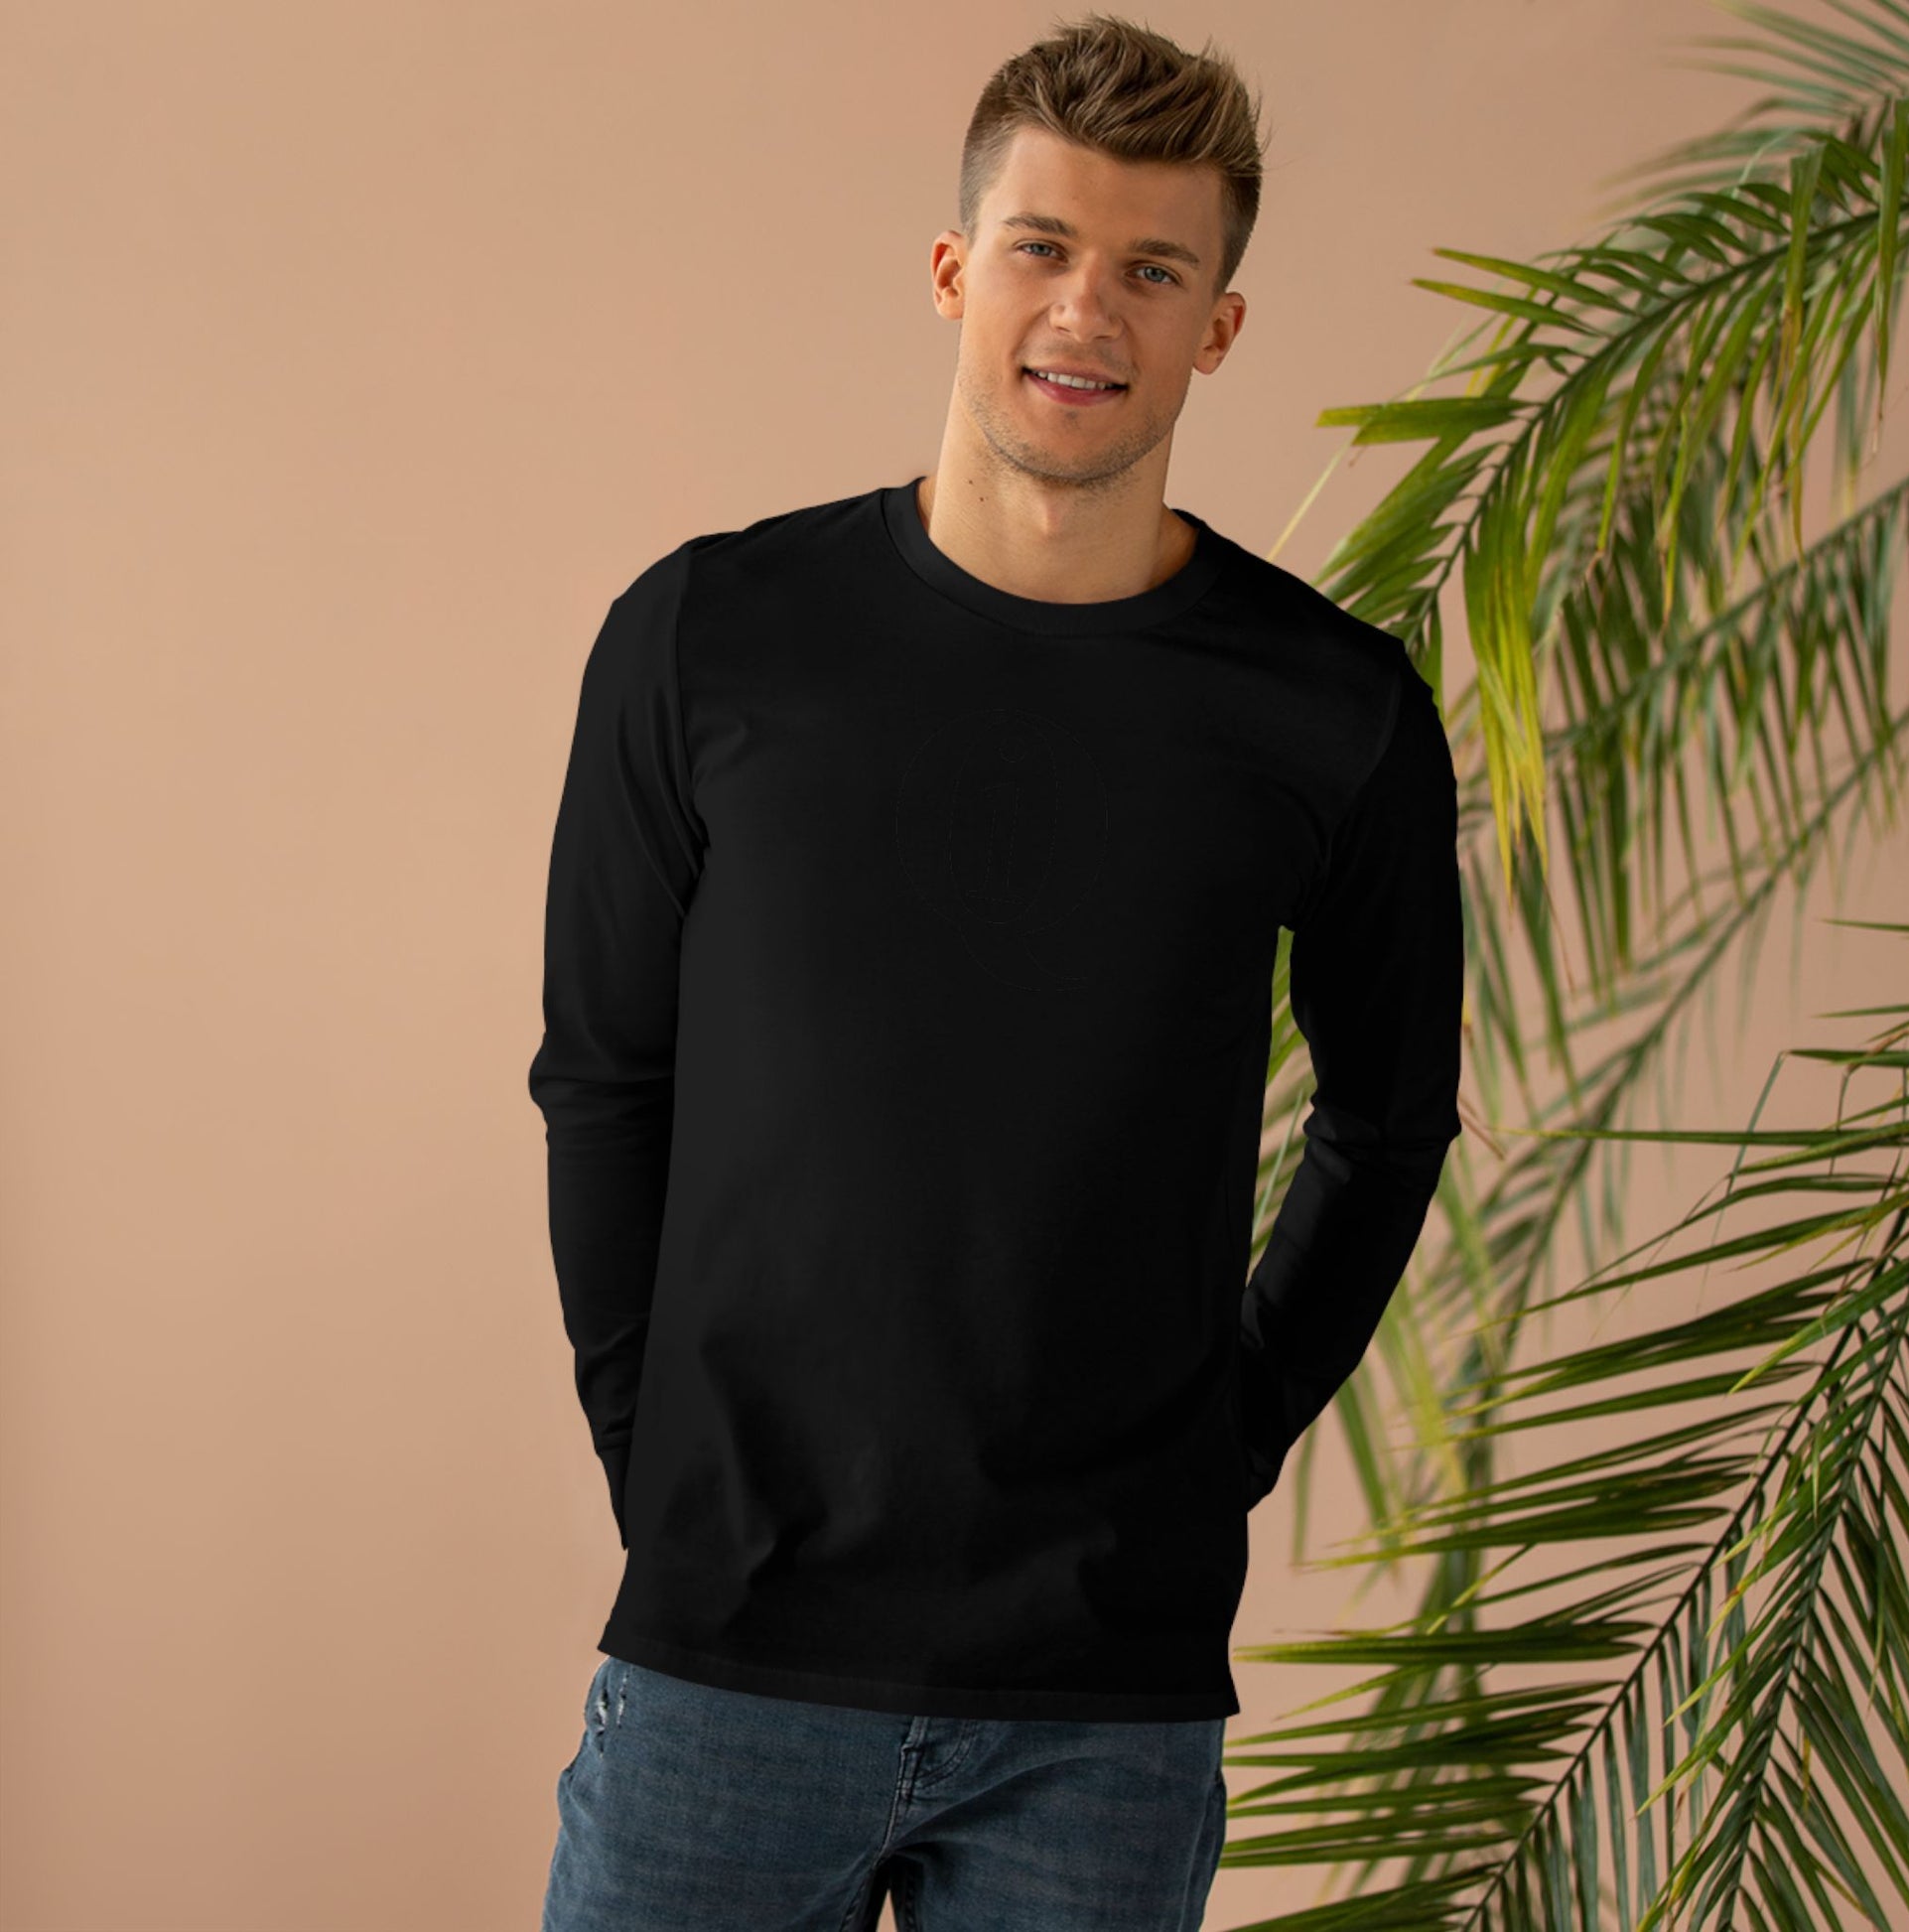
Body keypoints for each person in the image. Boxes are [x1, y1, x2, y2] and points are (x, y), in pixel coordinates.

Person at [526, 12, 1464, 1929]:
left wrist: (1218, 1449)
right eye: (1042, 246)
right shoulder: (707, 639)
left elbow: (1388, 1125)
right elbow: (604, 1081)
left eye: (1152, 269)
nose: (1085, 309)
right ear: (955, 270)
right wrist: (656, 1464)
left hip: (1101, 1705)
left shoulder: (1330, 709)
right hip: (729, 1656)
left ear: (1218, 327)